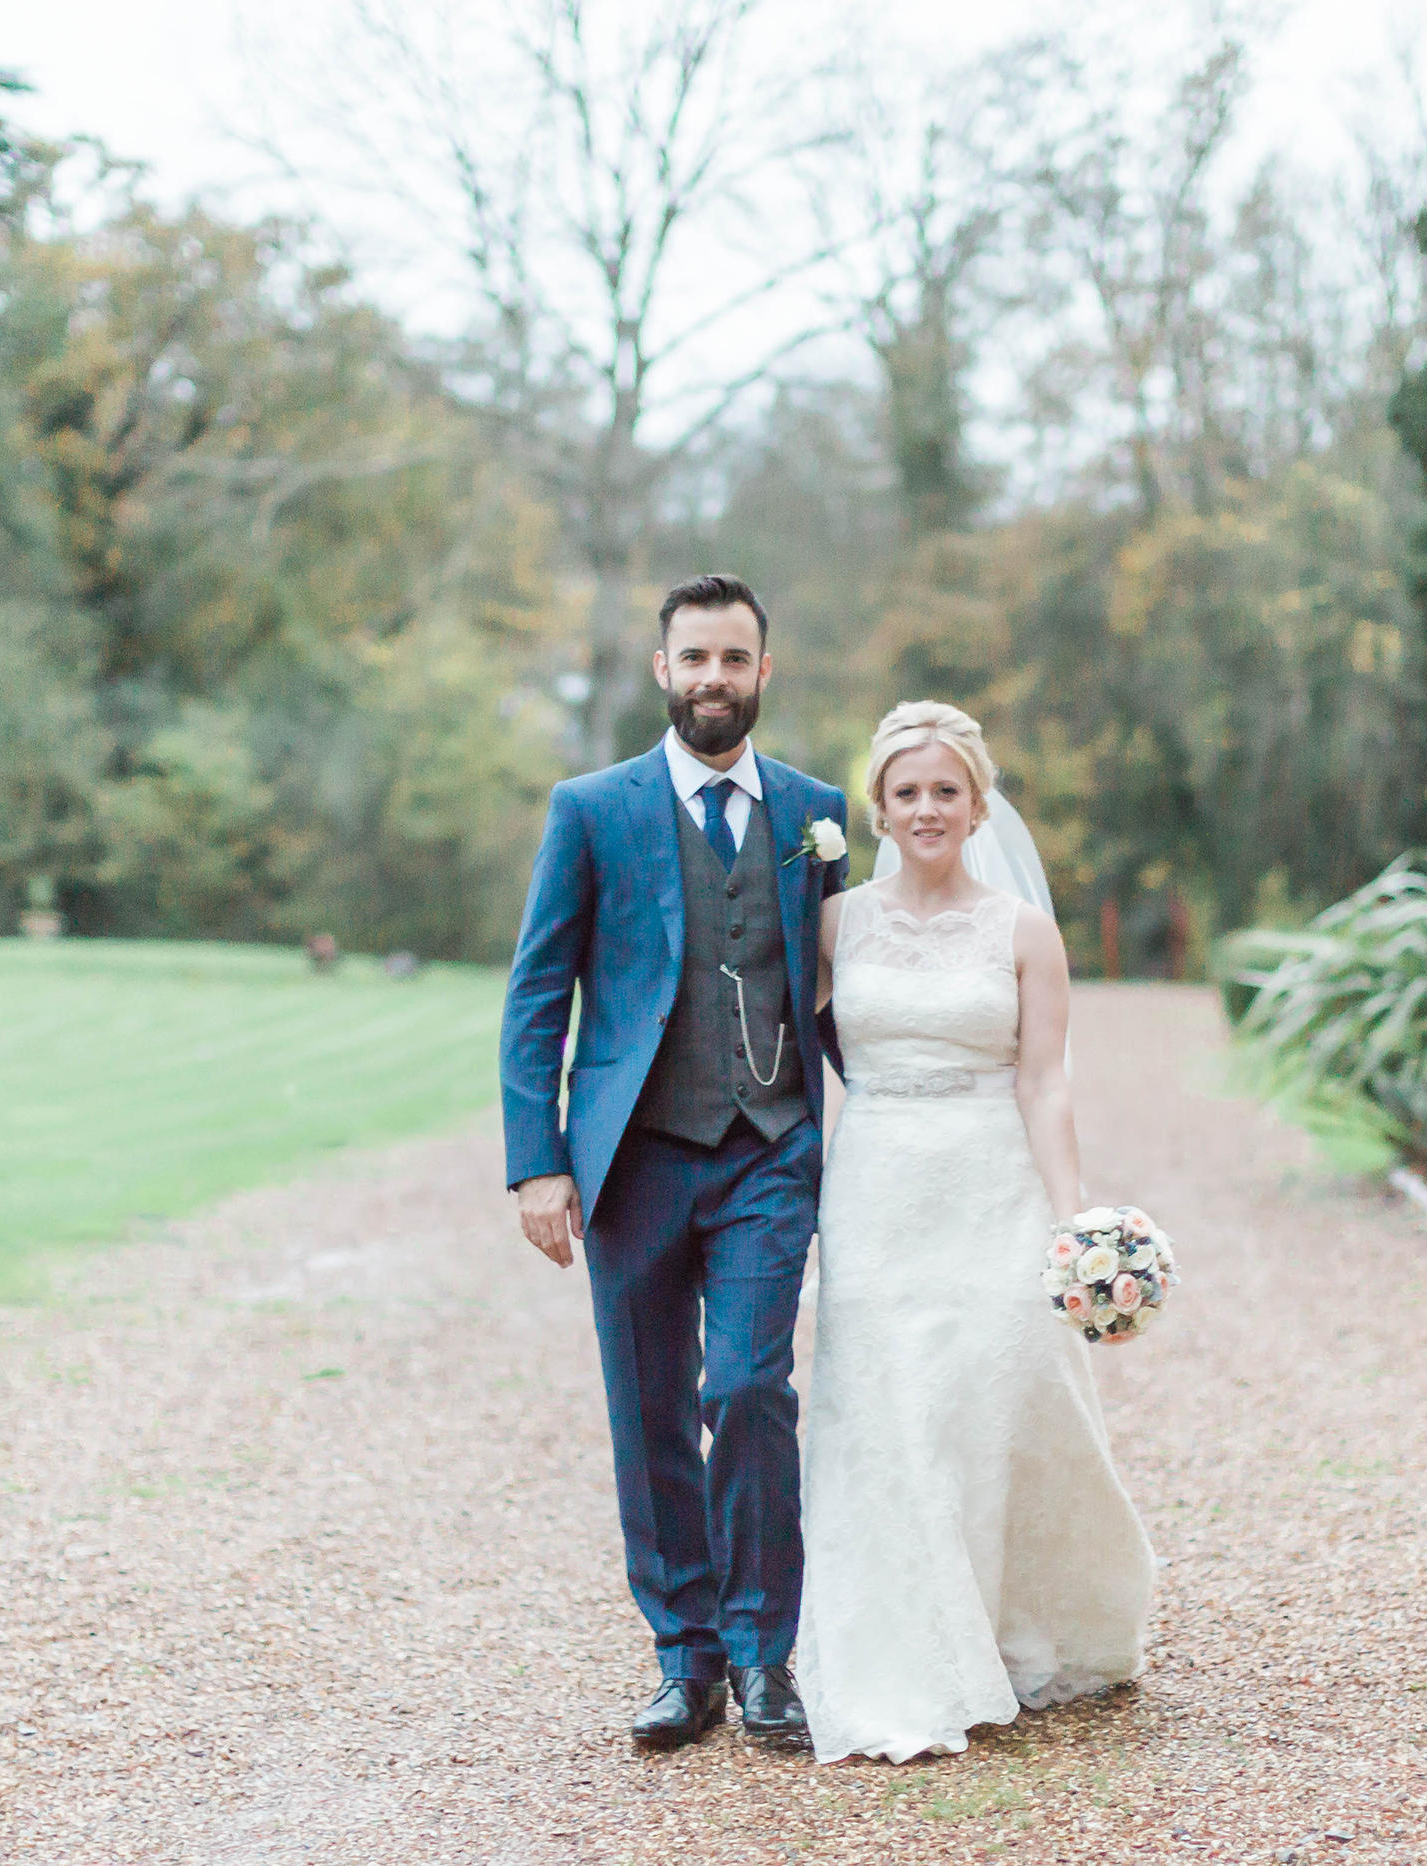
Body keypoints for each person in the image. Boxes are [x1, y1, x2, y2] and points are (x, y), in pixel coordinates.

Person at [499, 574, 850, 1752]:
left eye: (734, 660)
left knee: (747, 1389)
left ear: (764, 672)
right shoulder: (591, 809)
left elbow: (845, 994)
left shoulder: (815, 812)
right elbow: (538, 991)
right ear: (662, 670)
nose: (713, 679)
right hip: (634, 1157)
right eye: (693, 659)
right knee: (647, 1407)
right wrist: (535, 1162)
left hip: (770, 1147)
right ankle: (682, 1657)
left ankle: (762, 1656)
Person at [798, 700, 1153, 1764]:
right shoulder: (836, 924)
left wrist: (1074, 1224)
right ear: (878, 807)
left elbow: (1042, 1083)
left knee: (989, 1402)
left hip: (989, 1184)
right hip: (873, 1192)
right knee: (886, 1410)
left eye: (944, 790)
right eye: (905, 792)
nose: (925, 809)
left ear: (977, 801)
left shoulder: (1021, 931)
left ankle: (997, 1627)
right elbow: (782, 1056)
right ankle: (903, 1654)